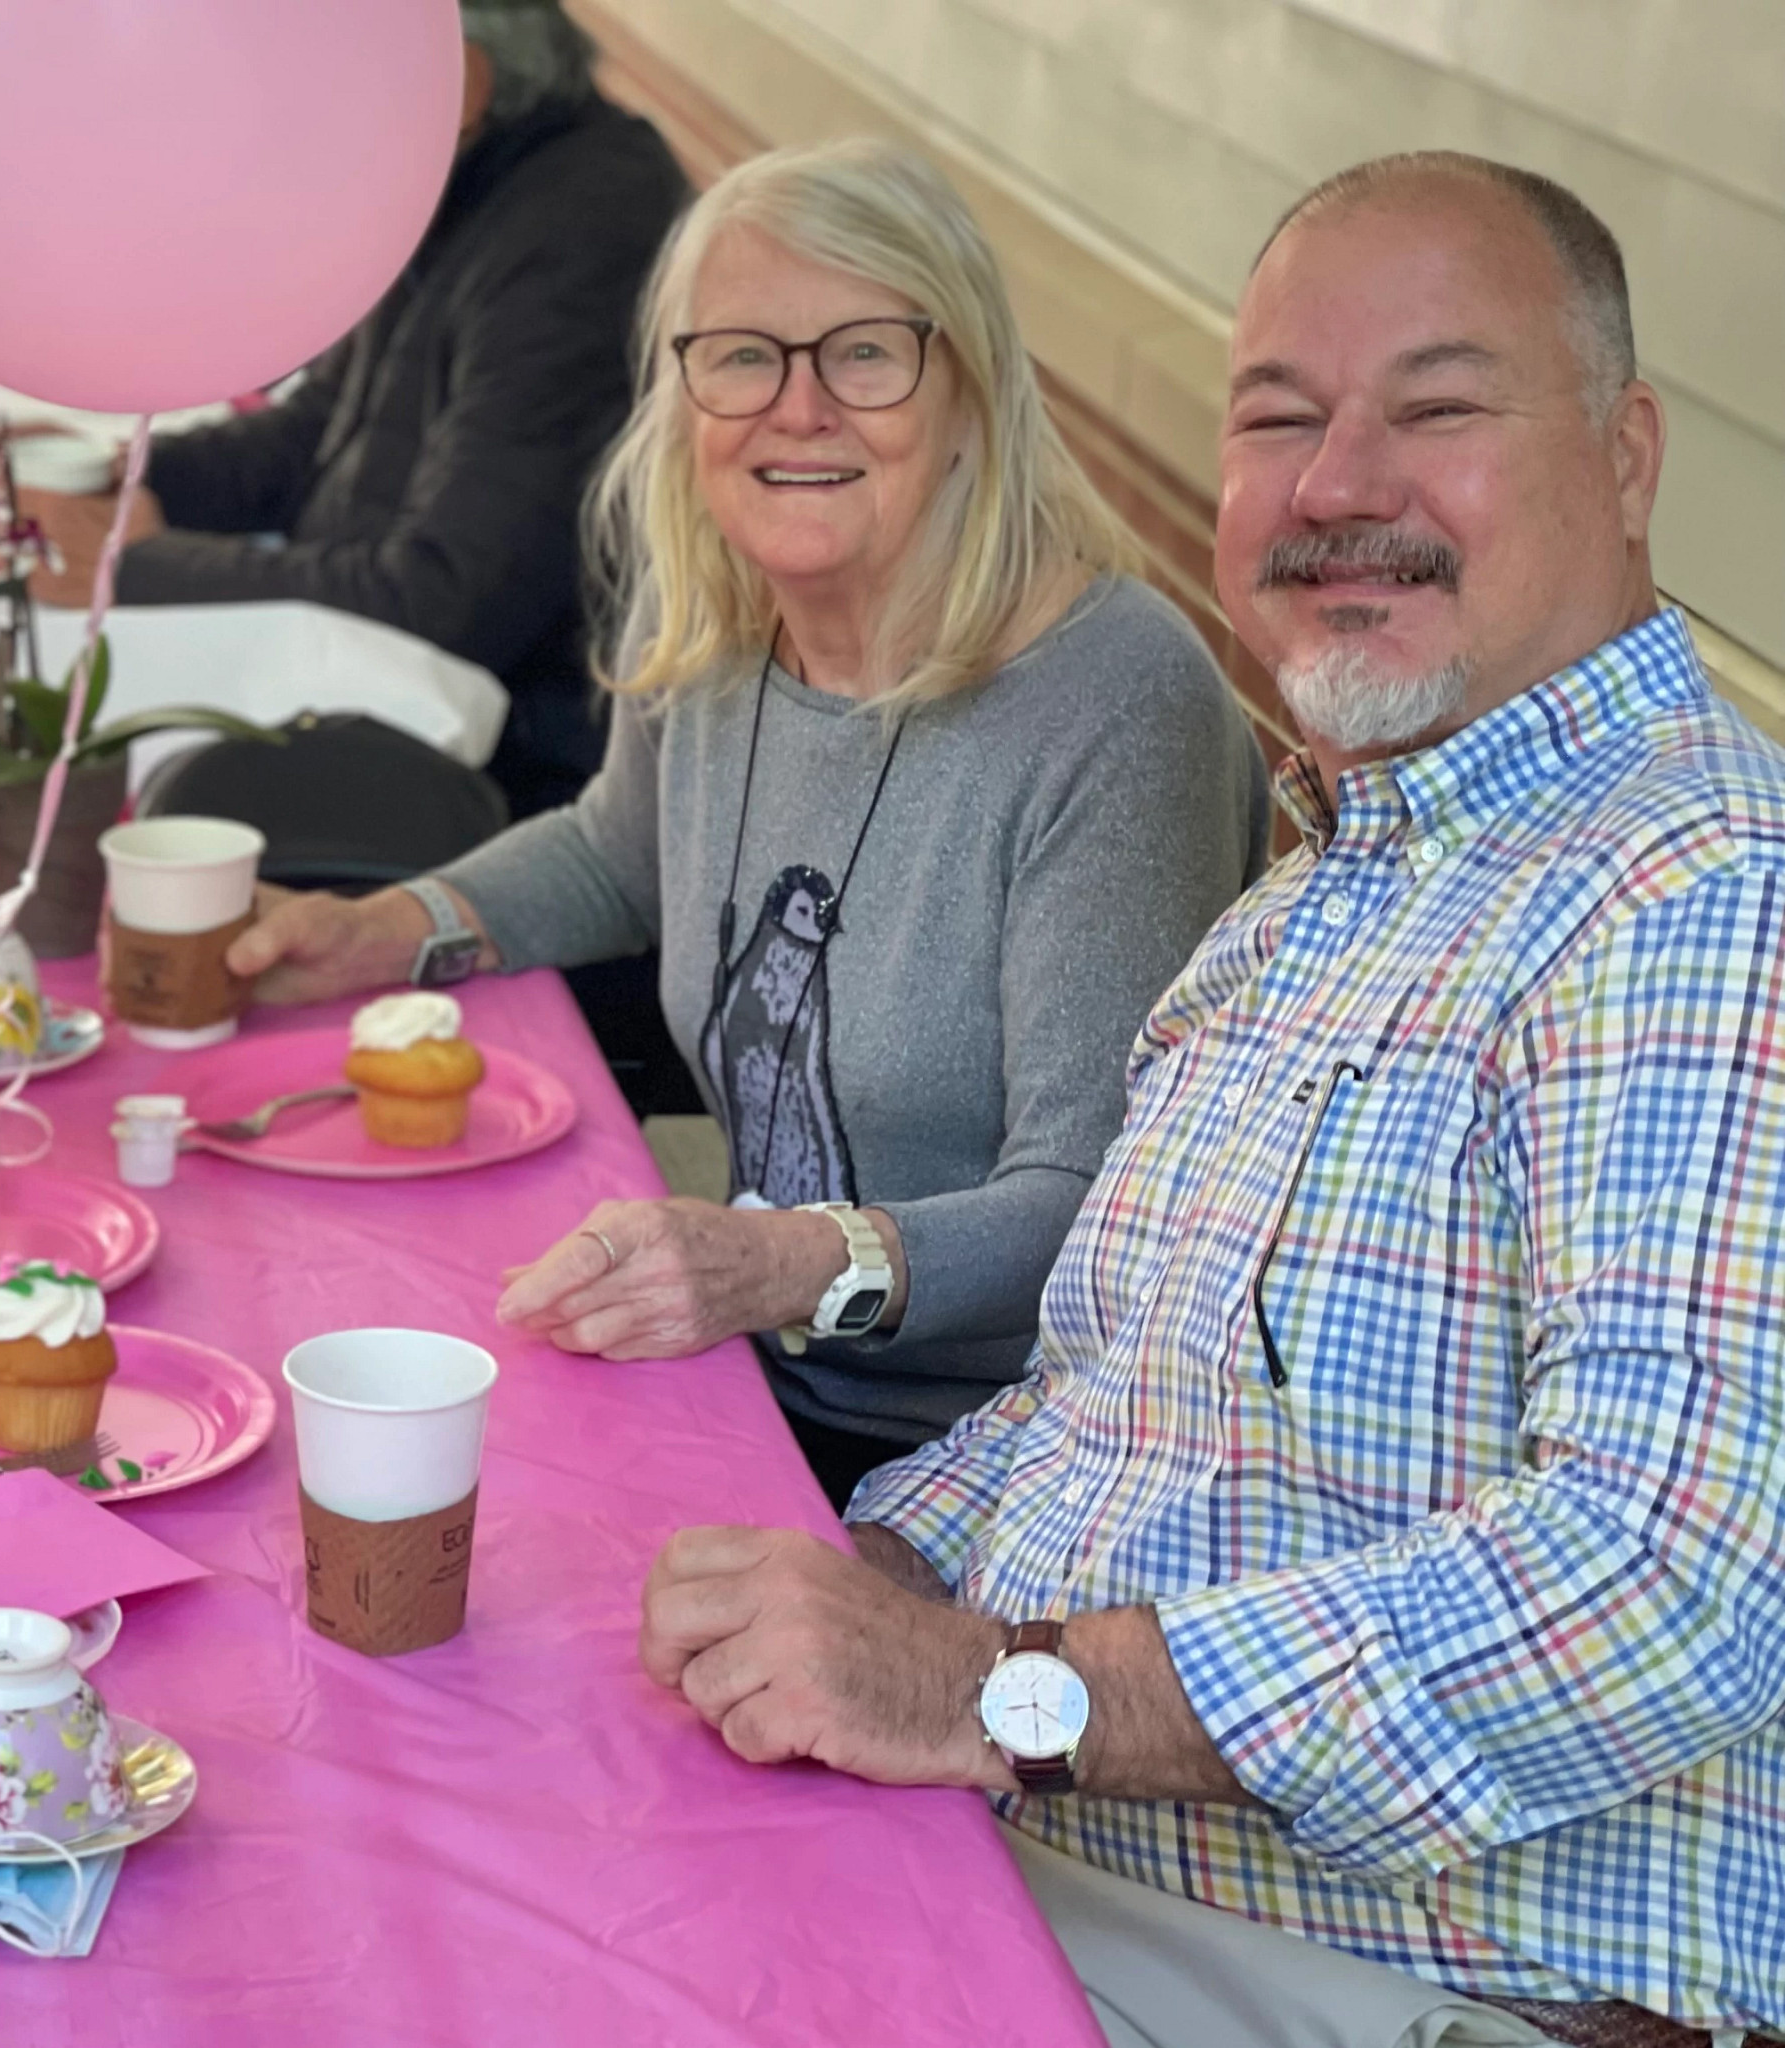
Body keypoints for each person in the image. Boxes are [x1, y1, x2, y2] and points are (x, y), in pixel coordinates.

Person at [635, 150, 1785, 2048]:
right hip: (1072, 1851)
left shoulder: (1696, 896)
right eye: (1277, 418)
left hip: (1399, 1973)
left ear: (1626, 454)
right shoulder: (1323, 890)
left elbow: (1666, 1585)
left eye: (1436, 408)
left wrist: (991, 1692)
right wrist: (853, 1575)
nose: (1337, 484)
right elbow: (1099, 1395)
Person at [226, 138, 1269, 1508]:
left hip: (1015, 1463)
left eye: (865, 354)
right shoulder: (722, 616)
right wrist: (384, 929)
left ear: (972, 390)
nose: (798, 409)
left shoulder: (1112, 700)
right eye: (742, 357)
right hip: (758, 1393)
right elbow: (618, 849)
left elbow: (1096, 1204)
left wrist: (774, 1263)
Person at [28, 1, 687, 819]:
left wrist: (139, 565)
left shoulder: (583, 232)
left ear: (464, 84)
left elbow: (446, 600)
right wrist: (117, 477)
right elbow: (316, 434)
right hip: (356, 688)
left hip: (487, 779)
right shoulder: (463, 172)